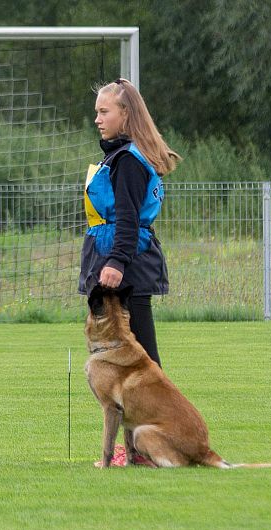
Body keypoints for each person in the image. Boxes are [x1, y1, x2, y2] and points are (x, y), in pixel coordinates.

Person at [78, 78, 180, 368]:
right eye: (97, 112)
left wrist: (117, 262)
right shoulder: (120, 157)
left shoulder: (128, 162)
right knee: (122, 360)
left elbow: (128, 218)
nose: (97, 119)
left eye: (104, 112)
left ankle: (163, 414)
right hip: (123, 260)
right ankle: (130, 413)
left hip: (128, 265)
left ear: (125, 114)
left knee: (145, 361)